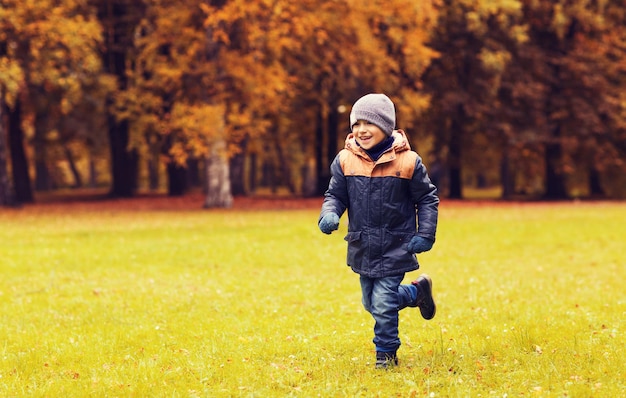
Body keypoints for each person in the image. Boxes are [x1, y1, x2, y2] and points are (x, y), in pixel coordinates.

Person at [318, 93, 439, 369]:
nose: (361, 130)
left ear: (386, 126)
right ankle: (416, 293)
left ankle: (386, 356)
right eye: (356, 123)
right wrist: (330, 212)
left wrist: (425, 234)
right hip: (363, 245)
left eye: (369, 123)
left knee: (383, 304)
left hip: (397, 244)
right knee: (371, 303)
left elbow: (427, 198)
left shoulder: (408, 162)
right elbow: (335, 194)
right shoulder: (345, 160)